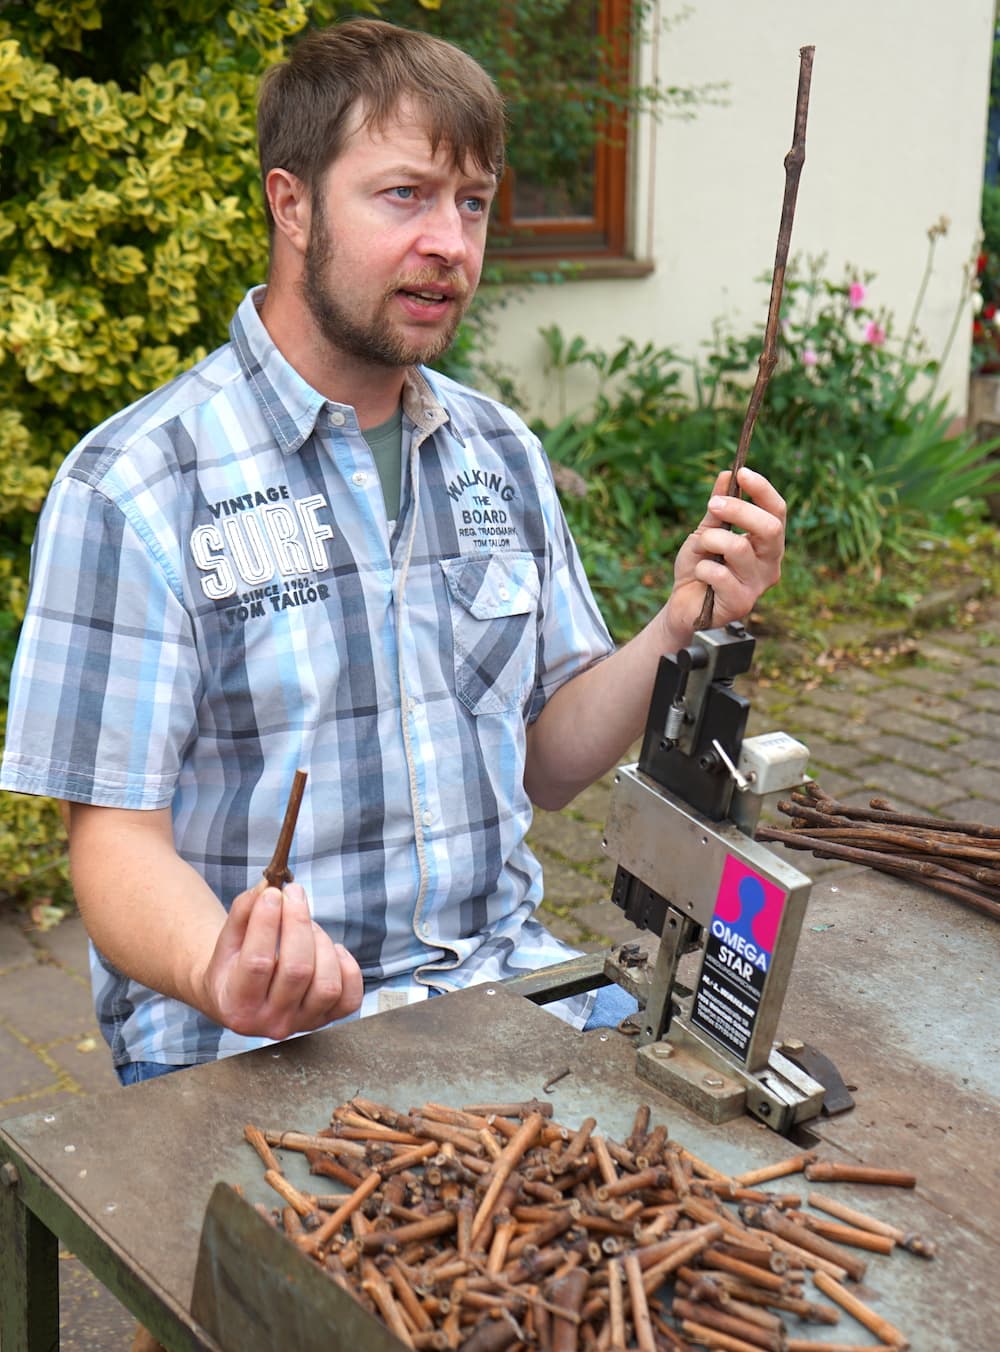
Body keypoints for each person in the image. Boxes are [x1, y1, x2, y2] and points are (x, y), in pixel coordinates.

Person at [0, 18, 785, 1083]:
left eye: (471, 203)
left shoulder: (499, 450)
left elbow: (549, 762)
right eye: (404, 195)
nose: (450, 245)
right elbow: (112, 841)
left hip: (509, 984)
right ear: (291, 204)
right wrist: (217, 961)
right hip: (253, 1041)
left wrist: (679, 618)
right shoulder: (138, 484)